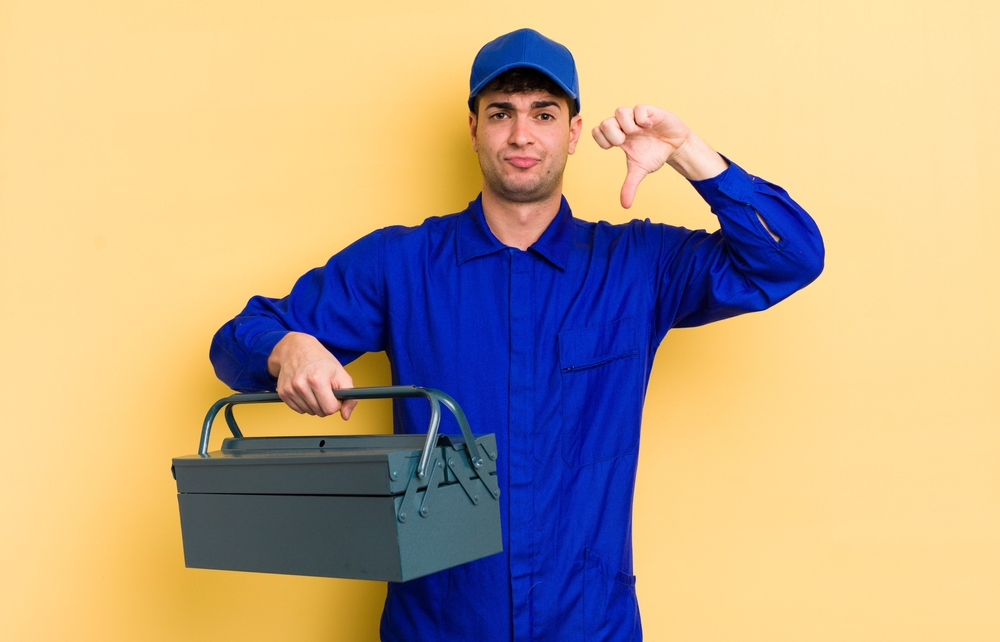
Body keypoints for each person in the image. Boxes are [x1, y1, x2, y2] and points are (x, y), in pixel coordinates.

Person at [210, 28, 824, 642]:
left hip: (590, 624)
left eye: (544, 113)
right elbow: (237, 341)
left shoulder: (639, 266)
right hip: (438, 627)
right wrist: (286, 347)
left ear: (575, 132)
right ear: (474, 128)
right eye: (501, 112)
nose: (522, 134)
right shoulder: (400, 264)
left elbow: (789, 257)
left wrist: (688, 151)